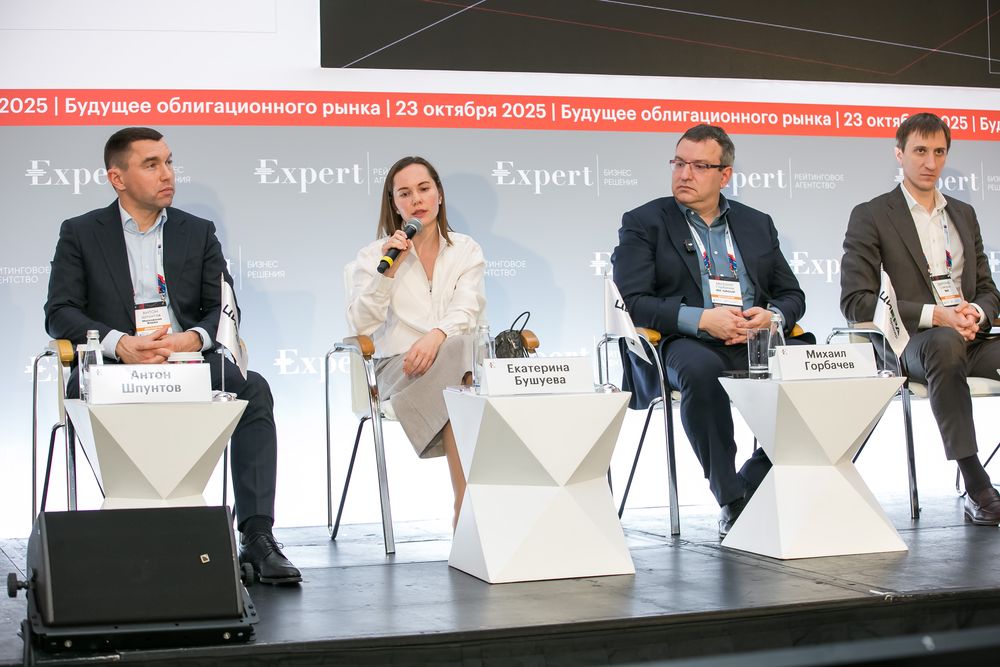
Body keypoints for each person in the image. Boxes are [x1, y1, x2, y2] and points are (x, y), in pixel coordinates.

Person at [44, 127, 301, 584]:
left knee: (254, 389)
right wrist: (119, 342)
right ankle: (97, 539)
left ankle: (258, 536)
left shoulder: (197, 231)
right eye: (151, 165)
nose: (167, 174)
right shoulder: (81, 233)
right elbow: (60, 312)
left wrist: (192, 340)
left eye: (168, 162)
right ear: (117, 178)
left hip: (189, 363)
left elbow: (224, 307)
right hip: (114, 365)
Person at [612, 124, 807, 537]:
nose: (685, 174)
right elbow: (633, 300)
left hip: (754, 340)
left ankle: (752, 478)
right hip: (683, 341)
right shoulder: (644, 222)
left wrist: (772, 317)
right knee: (702, 372)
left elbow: (792, 295)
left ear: (725, 175)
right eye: (679, 163)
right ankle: (731, 498)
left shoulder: (756, 224)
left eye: (699, 166)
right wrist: (701, 319)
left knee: (828, 372)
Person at [841, 112, 1000, 526]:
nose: (930, 162)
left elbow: (988, 289)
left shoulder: (963, 214)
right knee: (944, 344)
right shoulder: (872, 214)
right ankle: (977, 484)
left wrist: (975, 312)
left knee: (954, 341)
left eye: (939, 152)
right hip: (911, 342)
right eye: (920, 151)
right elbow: (857, 301)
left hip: (970, 337)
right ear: (900, 154)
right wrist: (937, 315)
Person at [347, 156, 485, 528]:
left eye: (424, 189)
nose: (416, 200)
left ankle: (466, 510)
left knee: (460, 367)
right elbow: (360, 323)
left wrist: (436, 337)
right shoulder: (374, 256)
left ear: (439, 194)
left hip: (454, 364)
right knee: (463, 383)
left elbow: (467, 308)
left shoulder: (466, 249)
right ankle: (467, 510)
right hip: (398, 370)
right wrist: (387, 273)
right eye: (405, 193)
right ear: (395, 205)